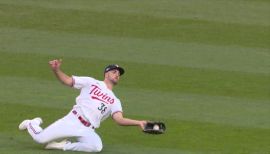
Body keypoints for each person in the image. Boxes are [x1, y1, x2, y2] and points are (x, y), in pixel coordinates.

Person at [18, 59, 147, 152]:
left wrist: (138, 122)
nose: (117, 74)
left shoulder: (115, 100)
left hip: (87, 129)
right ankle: (32, 124)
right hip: (72, 120)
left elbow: (119, 119)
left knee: (96, 147)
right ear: (106, 73)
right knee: (40, 139)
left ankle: (62, 145)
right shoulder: (91, 82)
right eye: (114, 72)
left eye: (119, 74)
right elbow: (68, 81)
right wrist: (56, 70)